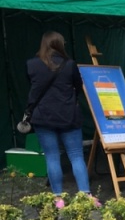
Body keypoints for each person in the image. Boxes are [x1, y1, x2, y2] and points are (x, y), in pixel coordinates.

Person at [25, 31, 94, 208]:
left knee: (52, 157)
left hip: (43, 117)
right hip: (68, 115)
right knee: (76, 156)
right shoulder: (70, 64)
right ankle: (85, 194)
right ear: (60, 45)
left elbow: (33, 89)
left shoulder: (31, 64)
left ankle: (58, 199)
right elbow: (78, 86)